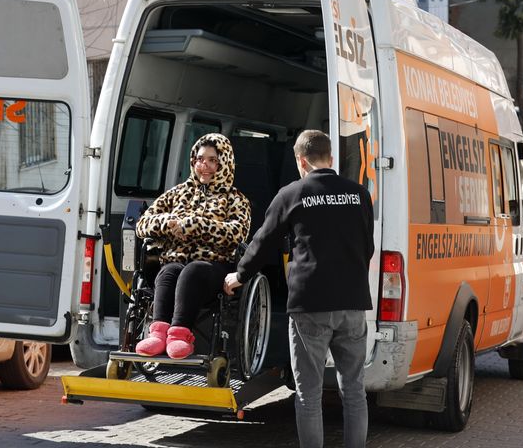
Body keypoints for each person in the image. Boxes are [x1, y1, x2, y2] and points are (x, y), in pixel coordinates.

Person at [224, 130, 374, 448]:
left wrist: (240, 275)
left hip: (311, 305)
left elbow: (264, 241)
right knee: (354, 390)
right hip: (352, 304)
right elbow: (368, 246)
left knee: (309, 394)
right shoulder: (359, 194)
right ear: (330, 158)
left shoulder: (292, 194)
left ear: (300, 161)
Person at [134, 133, 250, 359]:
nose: (203, 165)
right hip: (174, 260)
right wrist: (168, 224)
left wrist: (197, 225)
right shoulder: (177, 193)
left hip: (214, 266)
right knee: (168, 271)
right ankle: (158, 333)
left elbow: (238, 233)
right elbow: (142, 224)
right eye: (199, 159)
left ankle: (179, 334)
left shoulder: (235, 199)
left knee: (192, 270)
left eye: (211, 160)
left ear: (224, 163)